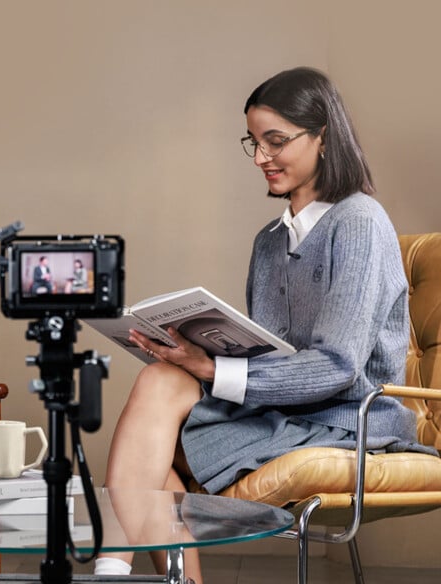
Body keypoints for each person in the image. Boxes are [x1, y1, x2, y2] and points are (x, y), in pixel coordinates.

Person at [94, 67, 435, 583]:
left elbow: (339, 367)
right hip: (282, 412)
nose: (260, 158)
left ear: (323, 137)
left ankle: (108, 571)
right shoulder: (270, 240)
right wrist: (189, 351)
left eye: (275, 141)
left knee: (151, 454)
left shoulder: (360, 222)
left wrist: (211, 369)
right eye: (253, 143)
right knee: (158, 394)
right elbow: (269, 353)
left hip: (349, 421)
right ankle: (115, 571)